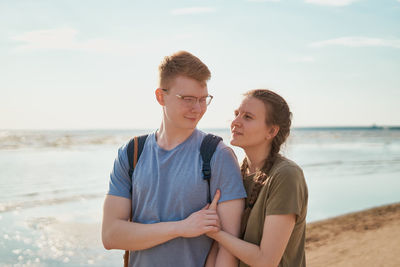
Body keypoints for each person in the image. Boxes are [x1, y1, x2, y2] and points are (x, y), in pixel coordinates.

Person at [101, 51, 246, 267]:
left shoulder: (218, 155)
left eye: (203, 99)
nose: (197, 108)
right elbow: (111, 236)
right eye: (187, 99)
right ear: (161, 97)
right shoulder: (131, 153)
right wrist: (181, 227)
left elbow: (229, 248)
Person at [206, 89, 308, 267]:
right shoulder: (236, 174)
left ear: (271, 131)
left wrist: (215, 232)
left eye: (247, 117)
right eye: (236, 114)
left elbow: (266, 261)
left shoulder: (286, 176)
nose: (235, 122)